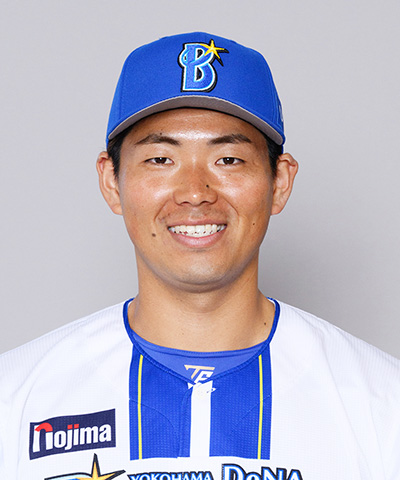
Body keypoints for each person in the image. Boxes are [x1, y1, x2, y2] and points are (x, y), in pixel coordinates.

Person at [0, 32, 399, 480]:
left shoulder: (382, 403)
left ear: (279, 183)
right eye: (160, 160)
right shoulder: (15, 397)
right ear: (112, 182)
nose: (194, 192)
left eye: (228, 160)